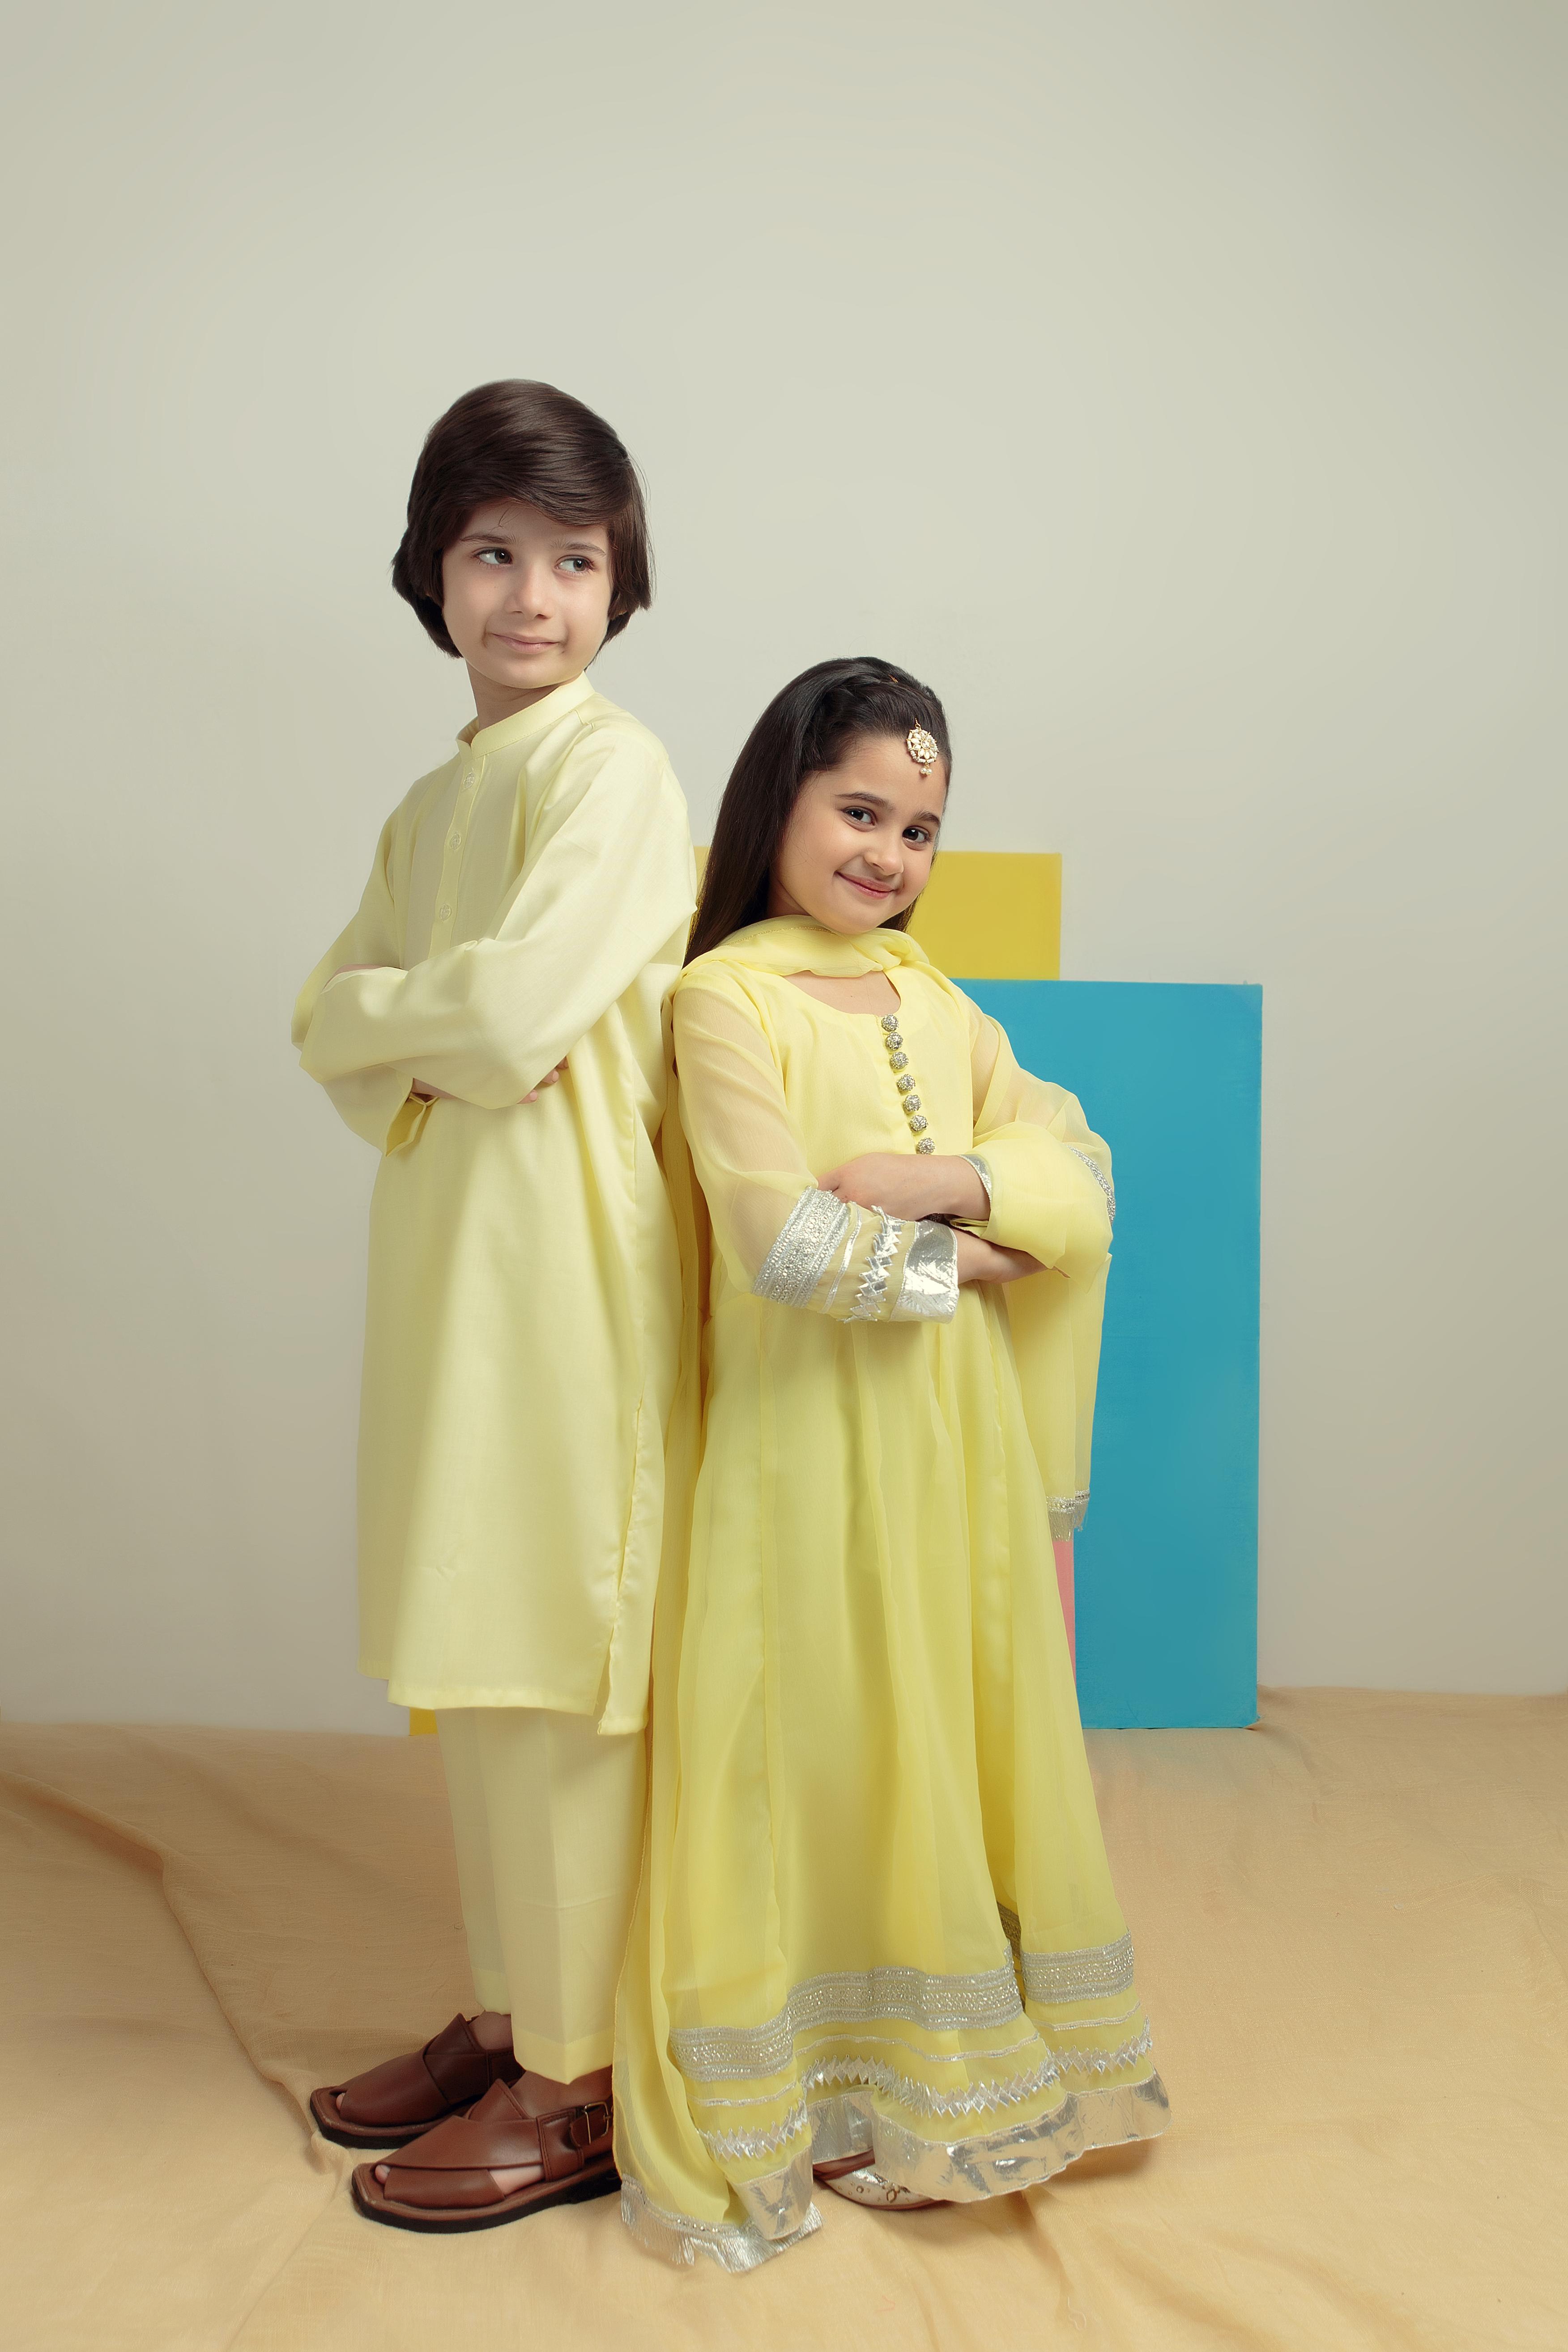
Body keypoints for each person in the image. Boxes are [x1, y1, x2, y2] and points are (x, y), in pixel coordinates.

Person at [613, 658, 1168, 2270]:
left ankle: (945, 2085)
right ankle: (816, 2091)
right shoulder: (724, 999)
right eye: (859, 811)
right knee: (820, 1735)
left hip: (956, 1440)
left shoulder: (934, 995)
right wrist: (1000, 1246)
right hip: (801, 1437)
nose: (889, 854)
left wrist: (941, 1184)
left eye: (919, 829)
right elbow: (782, 1242)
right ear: (777, 800)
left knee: (944, 1717)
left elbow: (1082, 1170)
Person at [290, 381, 694, 2231]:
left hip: (573, 1269)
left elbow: (516, 1013)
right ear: (433, 574)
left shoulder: (616, 772)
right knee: (473, 1638)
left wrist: (414, 1024)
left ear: (622, 583)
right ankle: (511, 2008)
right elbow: (325, 1016)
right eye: (493, 553)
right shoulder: (435, 800)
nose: (533, 597)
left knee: (556, 1650)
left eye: (574, 560)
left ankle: (584, 2075)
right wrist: (424, 1031)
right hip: (452, 1261)